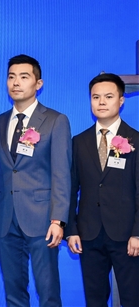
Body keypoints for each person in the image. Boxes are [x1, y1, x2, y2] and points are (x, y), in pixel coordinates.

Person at [0, 54, 72, 307]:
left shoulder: (55, 120)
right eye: (11, 77)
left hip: (42, 220)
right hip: (5, 219)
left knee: (48, 292)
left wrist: (58, 220)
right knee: (13, 292)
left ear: (38, 83)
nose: (16, 83)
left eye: (24, 77)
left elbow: (62, 173)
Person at [67, 73, 139, 306]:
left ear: (121, 100)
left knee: (132, 297)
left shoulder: (135, 140)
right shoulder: (79, 142)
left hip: (126, 235)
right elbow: (70, 189)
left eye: (108, 96)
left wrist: (137, 233)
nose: (101, 102)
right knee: (95, 299)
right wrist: (71, 229)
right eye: (95, 97)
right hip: (89, 234)